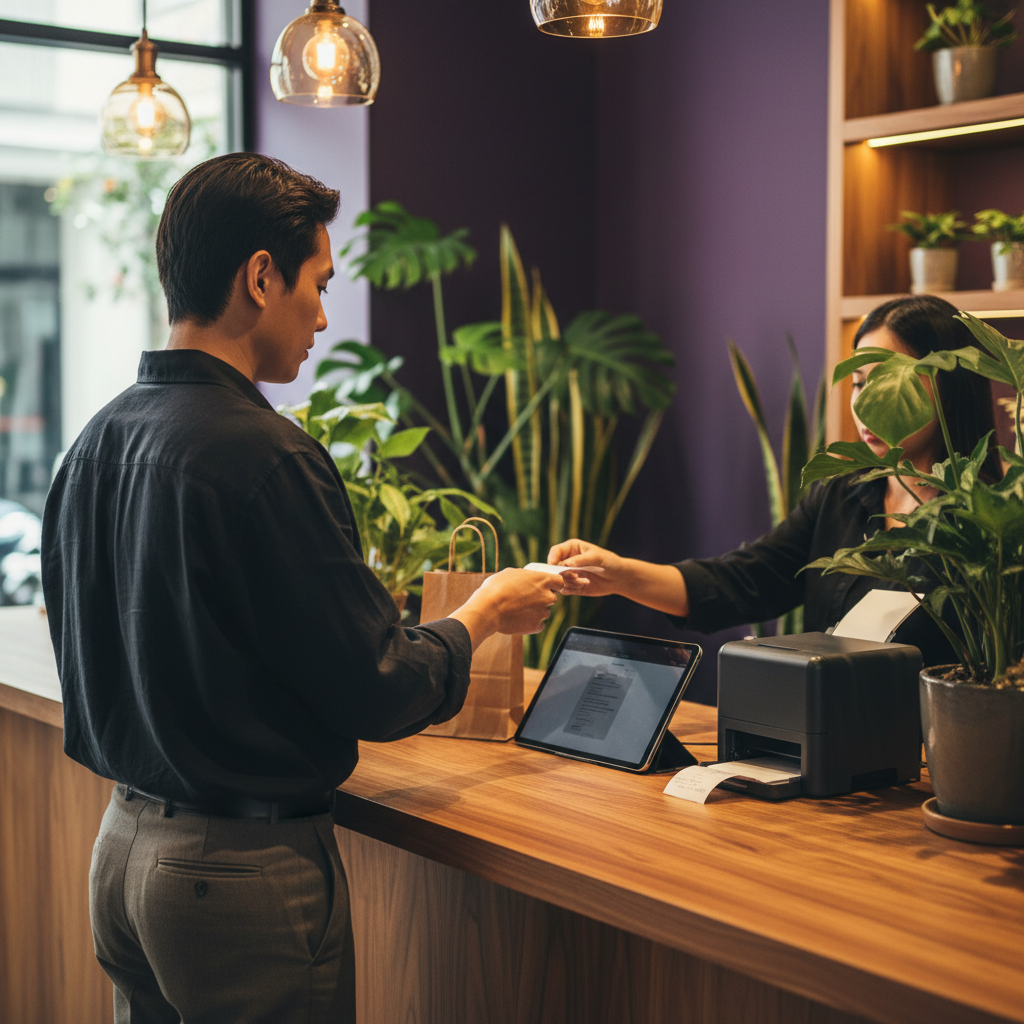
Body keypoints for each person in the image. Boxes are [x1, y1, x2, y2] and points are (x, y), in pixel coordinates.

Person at [40, 152, 570, 1024]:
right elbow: (378, 687)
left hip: (123, 853)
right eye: (317, 285)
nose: (324, 316)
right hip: (236, 880)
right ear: (259, 278)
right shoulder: (266, 455)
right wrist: (481, 617)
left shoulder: (98, 439)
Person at [549, 295, 1002, 667]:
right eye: (859, 384)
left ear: (949, 386)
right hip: (835, 744)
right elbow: (743, 580)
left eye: (886, 381)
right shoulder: (842, 494)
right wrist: (618, 574)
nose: (864, 406)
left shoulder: (995, 522)